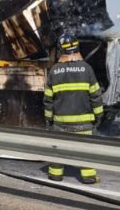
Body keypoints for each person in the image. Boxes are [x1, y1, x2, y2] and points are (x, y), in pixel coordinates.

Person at [44, 32, 104, 184]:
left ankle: (55, 175)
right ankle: (88, 176)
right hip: (84, 123)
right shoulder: (87, 69)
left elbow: (48, 99)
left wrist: (49, 119)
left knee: (58, 149)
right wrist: (99, 116)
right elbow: (96, 96)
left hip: (60, 123)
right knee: (86, 149)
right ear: (77, 47)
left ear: (61, 50)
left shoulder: (54, 71)